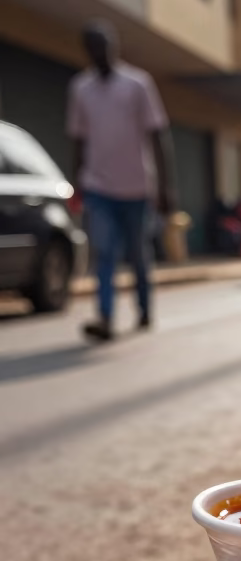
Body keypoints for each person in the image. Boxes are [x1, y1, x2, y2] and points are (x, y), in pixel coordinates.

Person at [68, 19, 175, 341]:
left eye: (105, 45)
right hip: (99, 186)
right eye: (93, 48)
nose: (100, 52)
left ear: (113, 46)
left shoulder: (138, 84)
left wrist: (167, 186)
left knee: (138, 254)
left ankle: (144, 308)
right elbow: (78, 139)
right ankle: (105, 317)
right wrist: (77, 183)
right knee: (104, 253)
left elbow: (158, 135)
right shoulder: (80, 89)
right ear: (87, 51)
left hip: (137, 187)